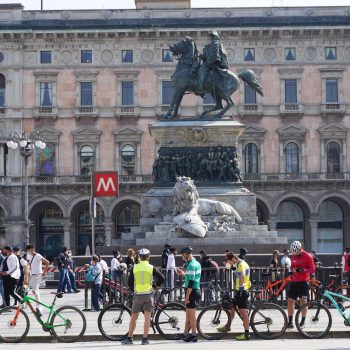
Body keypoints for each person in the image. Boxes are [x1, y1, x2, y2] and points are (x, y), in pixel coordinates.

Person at [122, 248, 165, 345]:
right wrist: (154, 286)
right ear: (148, 257)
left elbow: (129, 282)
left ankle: (130, 338)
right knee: (147, 318)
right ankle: (145, 339)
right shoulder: (151, 267)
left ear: (139, 257)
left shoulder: (135, 267)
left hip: (138, 295)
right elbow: (162, 278)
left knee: (133, 318)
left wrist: (134, 290)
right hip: (148, 295)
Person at [218, 252, 252, 340]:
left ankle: (247, 334)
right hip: (239, 291)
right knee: (232, 309)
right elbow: (237, 273)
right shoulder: (239, 264)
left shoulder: (242, 265)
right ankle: (227, 326)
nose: (231, 263)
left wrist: (240, 289)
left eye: (230, 262)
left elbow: (243, 276)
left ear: (233, 259)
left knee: (243, 313)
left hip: (242, 291)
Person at [287, 240, 315, 329]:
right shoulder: (294, 255)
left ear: (300, 249)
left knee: (303, 302)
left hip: (303, 281)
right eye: (293, 253)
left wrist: (303, 270)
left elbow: (312, 269)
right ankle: (290, 322)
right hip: (294, 281)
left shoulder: (308, 256)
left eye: (296, 252)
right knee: (290, 301)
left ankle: (302, 322)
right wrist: (292, 269)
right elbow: (292, 266)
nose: (294, 254)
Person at [180, 246, 201, 343]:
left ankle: (194, 334)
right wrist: (184, 274)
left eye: (182, 255)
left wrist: (187, 296)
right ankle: (185, 333)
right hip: (194, 290)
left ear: (186, 254)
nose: (182, 257)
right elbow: (192, 276)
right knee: (188, 315)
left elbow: (191, 282)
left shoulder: (191, 265)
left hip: (192, 291)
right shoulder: (196, 263)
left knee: (191, 316)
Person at [26, 244, 49, 316]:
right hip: (32, 275)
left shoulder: (38, 255)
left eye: (29, 250)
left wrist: (45, 271)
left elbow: (47, 262)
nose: (29, 251)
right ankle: (38, 307)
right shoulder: (30, 256)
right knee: (33, 290)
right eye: (28, 250)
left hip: (38, 274)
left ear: (32, 249)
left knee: (34, 290)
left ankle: (39, 307)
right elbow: (29, 265)